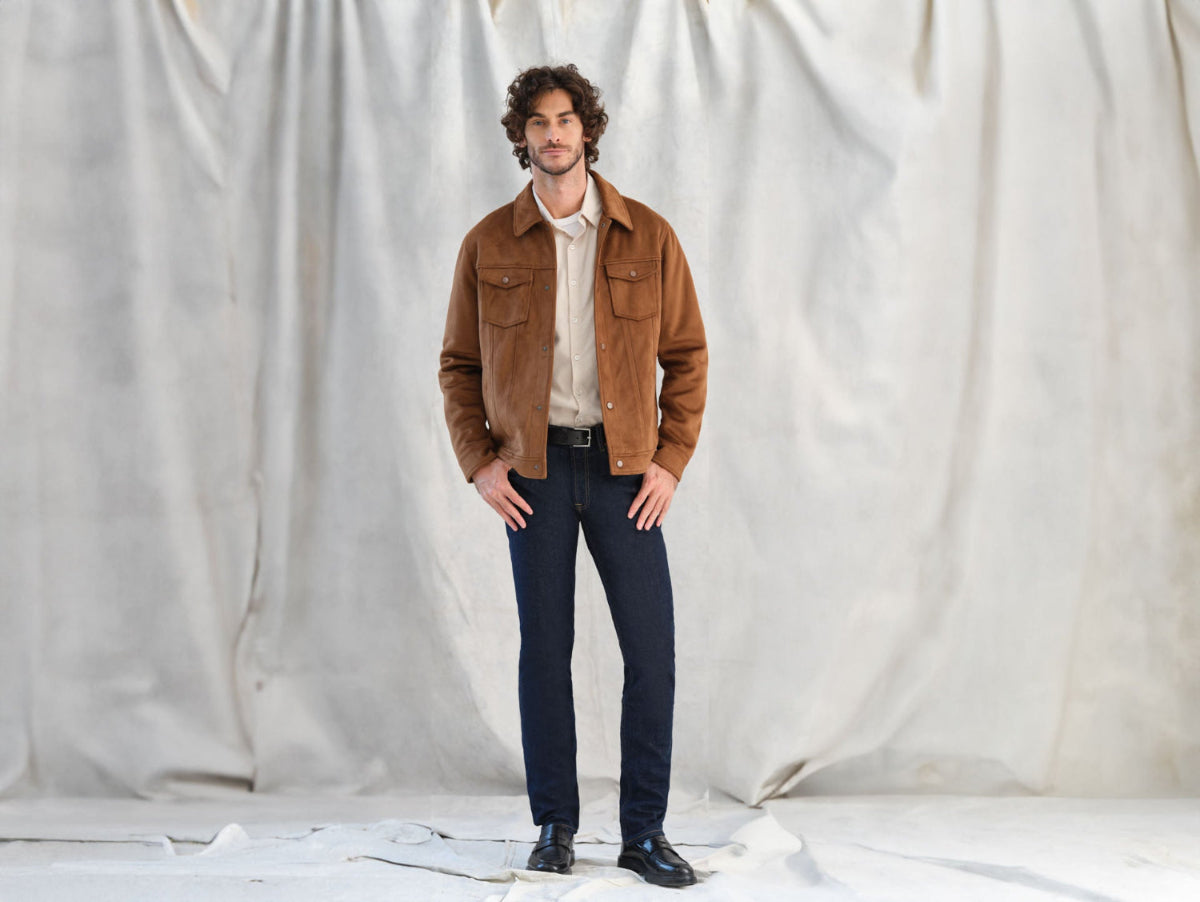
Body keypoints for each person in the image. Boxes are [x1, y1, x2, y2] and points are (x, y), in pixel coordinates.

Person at [438, 63, 707, 888]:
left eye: (565, 120)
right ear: (521, 138)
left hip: (626, 473)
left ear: (587, 130)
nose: (553, 135)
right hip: (536, 473)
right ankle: (554, 826)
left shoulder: (647, 236)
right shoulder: (489, 242)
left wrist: (669, 461)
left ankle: (644, 833)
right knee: (545, 653)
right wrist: (480, 463)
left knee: (651, 654)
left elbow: (687, 356)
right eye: (538, 123)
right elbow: (459, 365)